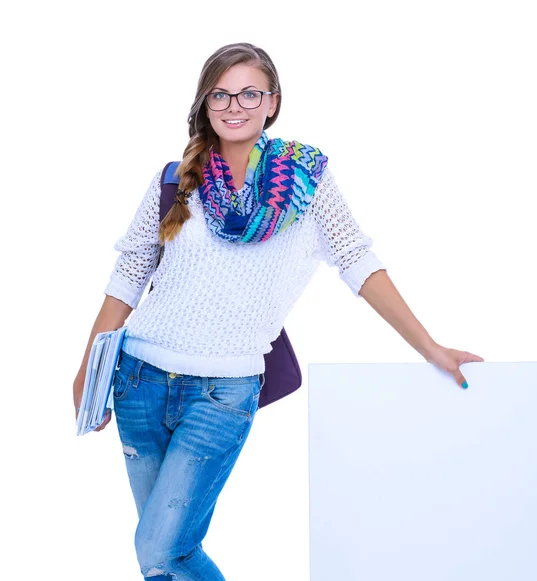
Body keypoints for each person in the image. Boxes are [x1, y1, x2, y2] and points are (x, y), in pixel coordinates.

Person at [72, 42, 484, 580]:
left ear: (273, 102)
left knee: (159, 550)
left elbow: (359, 262)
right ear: (204, 104)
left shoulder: (305, 184)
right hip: (138, 382)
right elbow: (129, 277)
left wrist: (430, 347)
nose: (234, 105)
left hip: (223, 394)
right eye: (220, 94)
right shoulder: (177, 179)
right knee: (166, 561)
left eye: (249, 92)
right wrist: (89, 371)